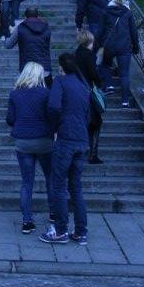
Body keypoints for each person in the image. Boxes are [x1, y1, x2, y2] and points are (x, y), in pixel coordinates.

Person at [40, 52, 90, 245]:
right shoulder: (82, 84)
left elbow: (53, 106)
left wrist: (55, 128)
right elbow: (87, 112)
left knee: (58, 184)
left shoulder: (61, 81)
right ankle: (81, 231)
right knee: (76, 187)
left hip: (65, 138)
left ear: (62, 67)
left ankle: (60, 230)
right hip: (81, 139)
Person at [6, 62, 54, 234]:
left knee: (27, 182)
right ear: (40, 76)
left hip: (23, 142)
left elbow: (10, 119)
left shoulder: (15, 94)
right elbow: (52, 114)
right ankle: (54, 213)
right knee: (50, 178)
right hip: (44, 141)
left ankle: (27, 221)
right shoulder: (46, 93)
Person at [95, 0, 138, 107]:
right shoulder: (128, 13)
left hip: (109, 45)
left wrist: (97, 45)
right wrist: (136, 47)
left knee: (105, 64)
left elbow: (100, 31)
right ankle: (125, 101)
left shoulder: (106, 11)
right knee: (124, 74)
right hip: (125, 47)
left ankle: (109, 85)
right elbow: (134, 32)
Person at [1, 6, 52, 83]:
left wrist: (9, 34)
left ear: (25, 17)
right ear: (38, 16)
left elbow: (8, 45)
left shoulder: (20, 28)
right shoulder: (46, 27)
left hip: (27, 70)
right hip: (44, 69)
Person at [75, 29, 104, 164]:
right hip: (88, 91)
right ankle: (92, 154)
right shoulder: (89, 54)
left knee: (85, 122)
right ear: (89, 41)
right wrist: (99, 81)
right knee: (96, 122)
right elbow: (92, 72)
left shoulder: (76, 53)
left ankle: (83, 150)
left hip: (78, 90)